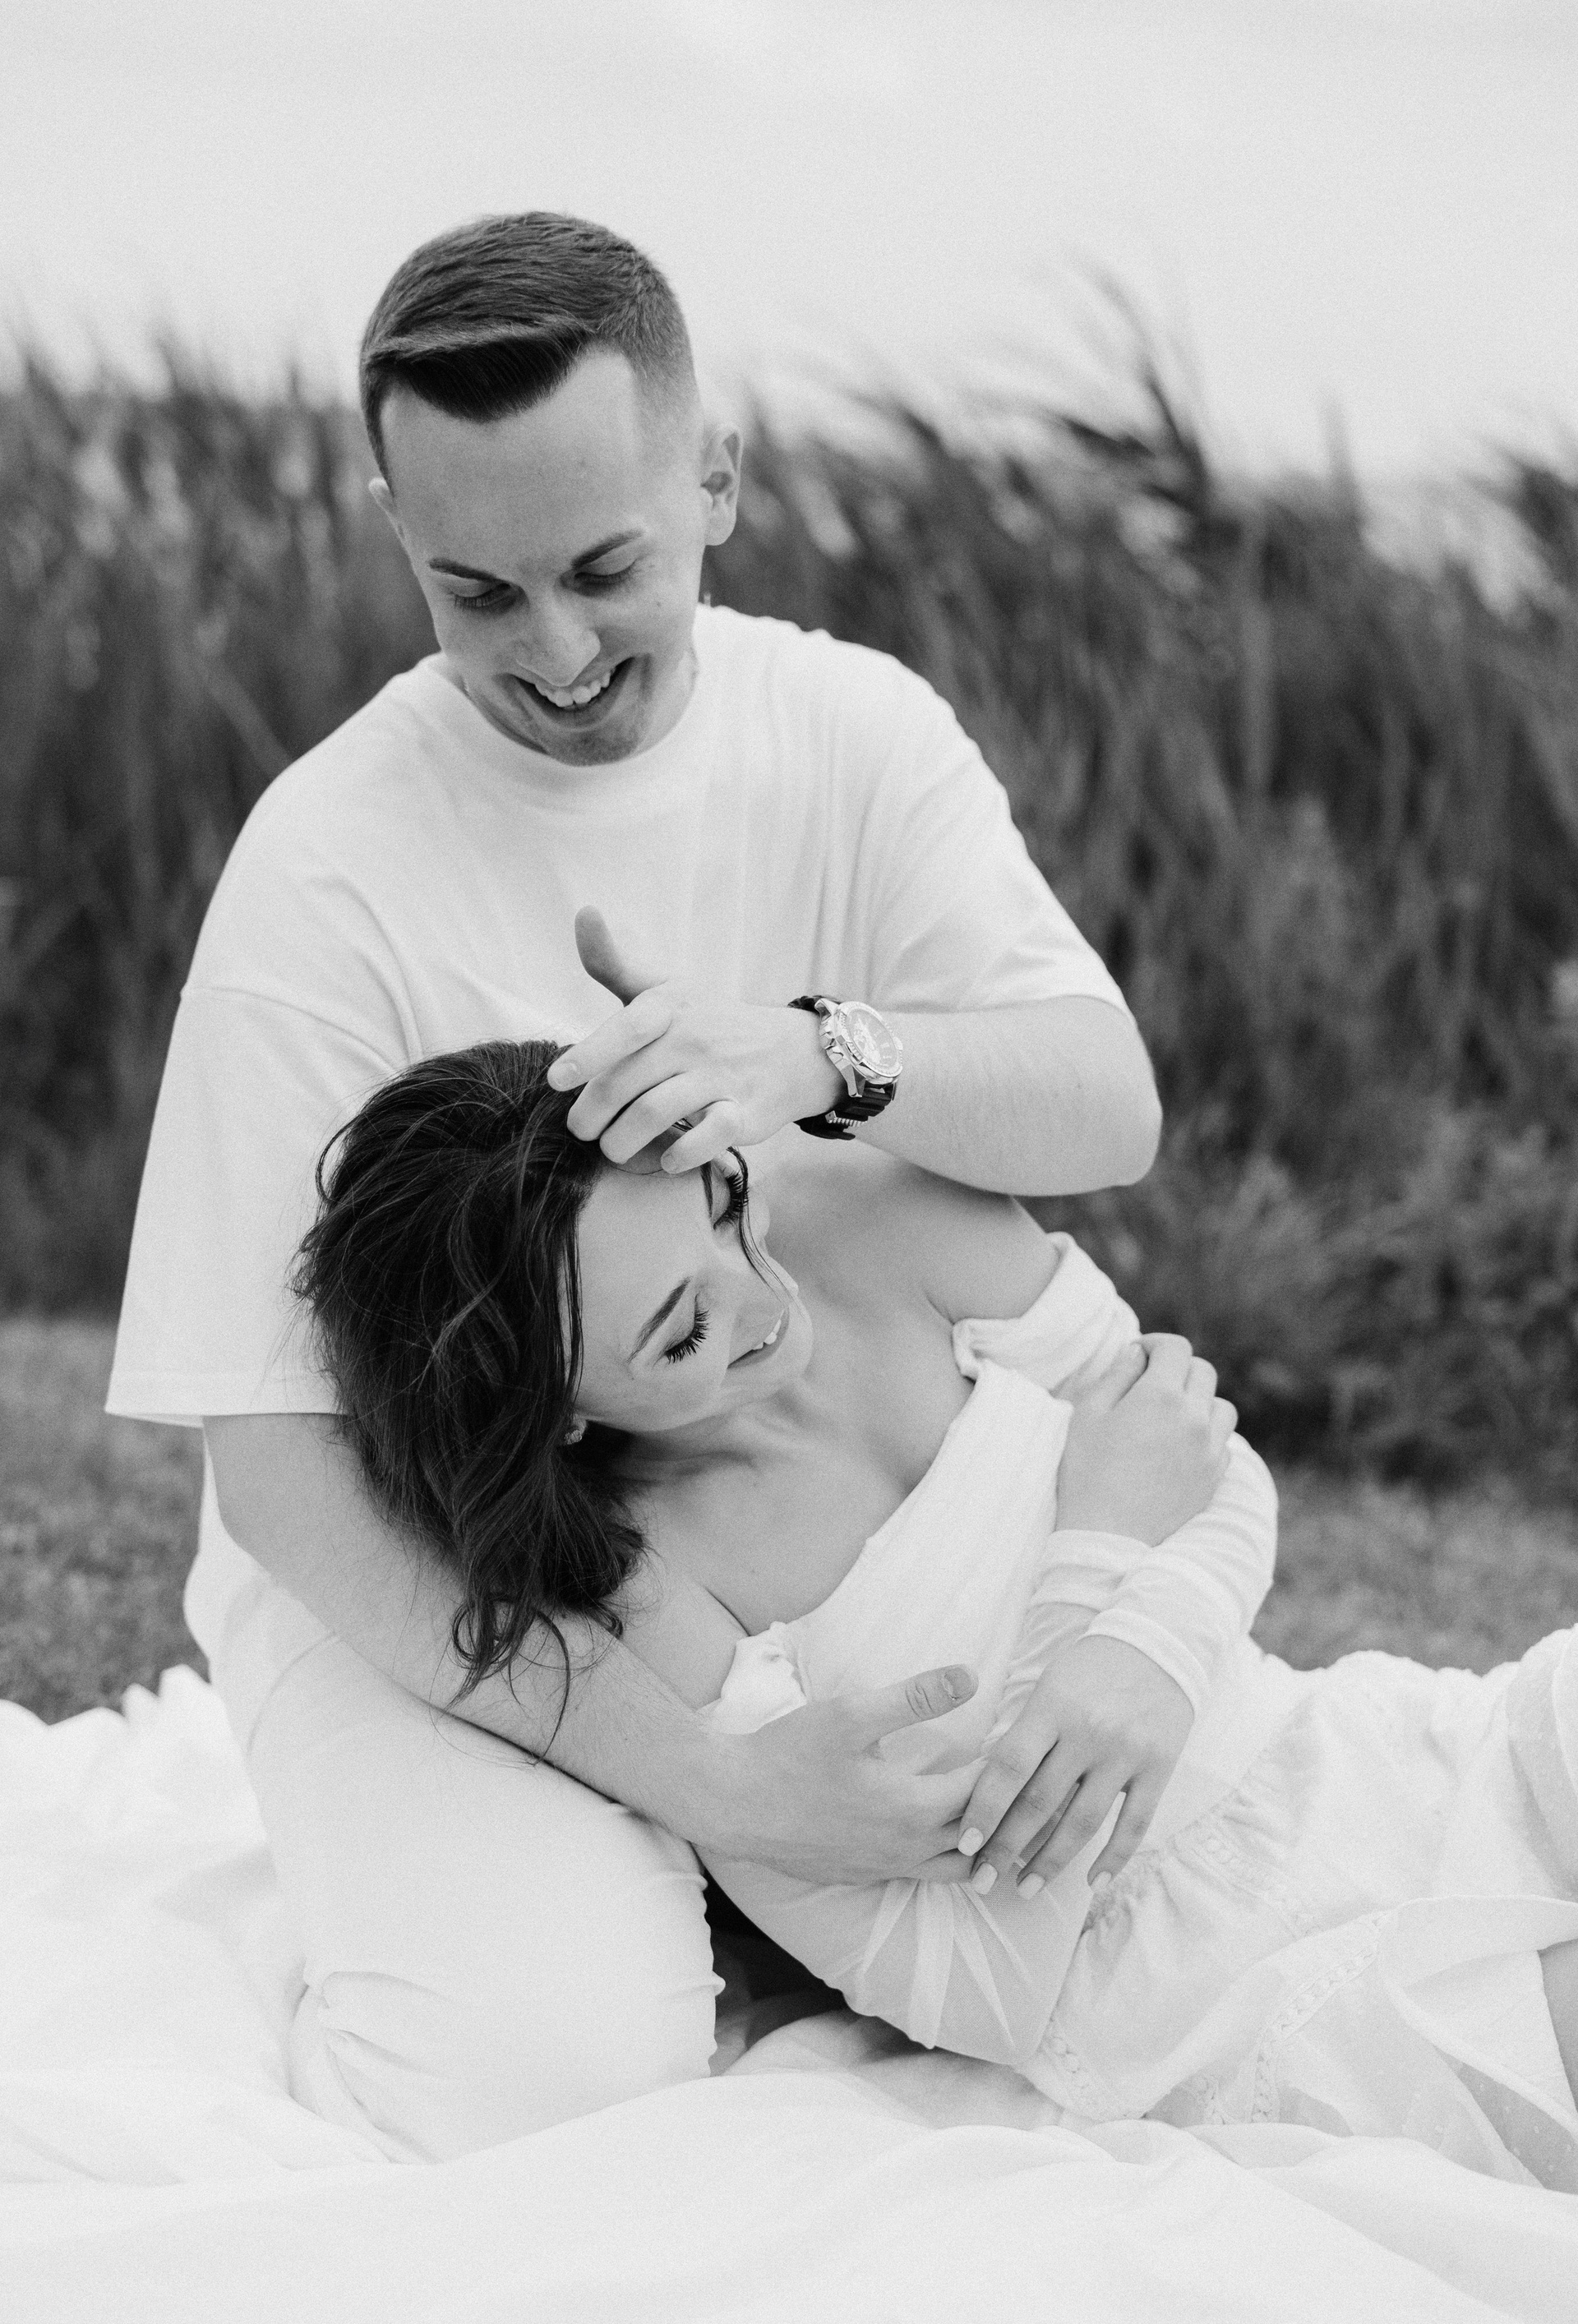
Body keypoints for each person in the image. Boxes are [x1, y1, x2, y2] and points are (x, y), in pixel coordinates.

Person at [106, 211, 1163, 2156]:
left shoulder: (853, 731)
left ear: (717, 481)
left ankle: (747, 1914)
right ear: (396, 531)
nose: (557, 651)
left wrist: (818, 1055)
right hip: (426, 1565)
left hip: (802, 1526)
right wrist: (715, 1778)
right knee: (551, 2081)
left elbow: (1106, 1108)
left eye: (604, 569)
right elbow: (280, 1477)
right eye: (477, 591)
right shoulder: (323, 858)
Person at [294, 1036, 1578, 2193]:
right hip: (1199, 1987)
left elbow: (1199, 1452)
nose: (763, 1293)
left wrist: (1148, 1646)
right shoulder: (647, 1596)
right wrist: (1095, 1567)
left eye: (723, 1203)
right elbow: (986, 1988)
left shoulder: (866, 1210)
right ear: (561, 1412)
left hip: (1350, 1755)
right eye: (684, 1330)